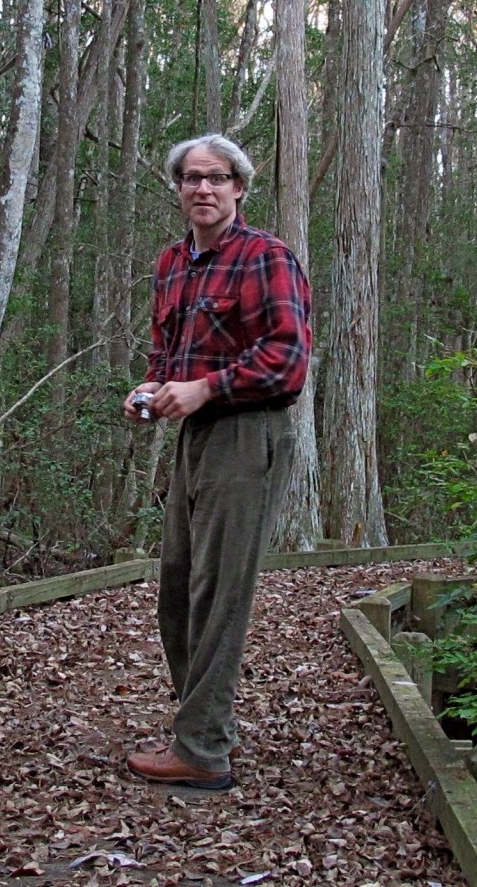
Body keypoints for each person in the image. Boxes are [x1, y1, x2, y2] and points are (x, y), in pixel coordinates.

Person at [123, 133, 311, 790]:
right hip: (193, 438)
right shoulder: (173, 263)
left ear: (239, 188)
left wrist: (207, 387)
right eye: (192, 178)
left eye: (218, 177)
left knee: (220, 593)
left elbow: (288, 358)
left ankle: (203, 750)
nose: (204, 188)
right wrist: (151, 389)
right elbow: (167, 355)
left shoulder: (267, 257)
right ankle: (199, 725)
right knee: (176, 589)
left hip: (248, 432)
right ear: (177, 189)